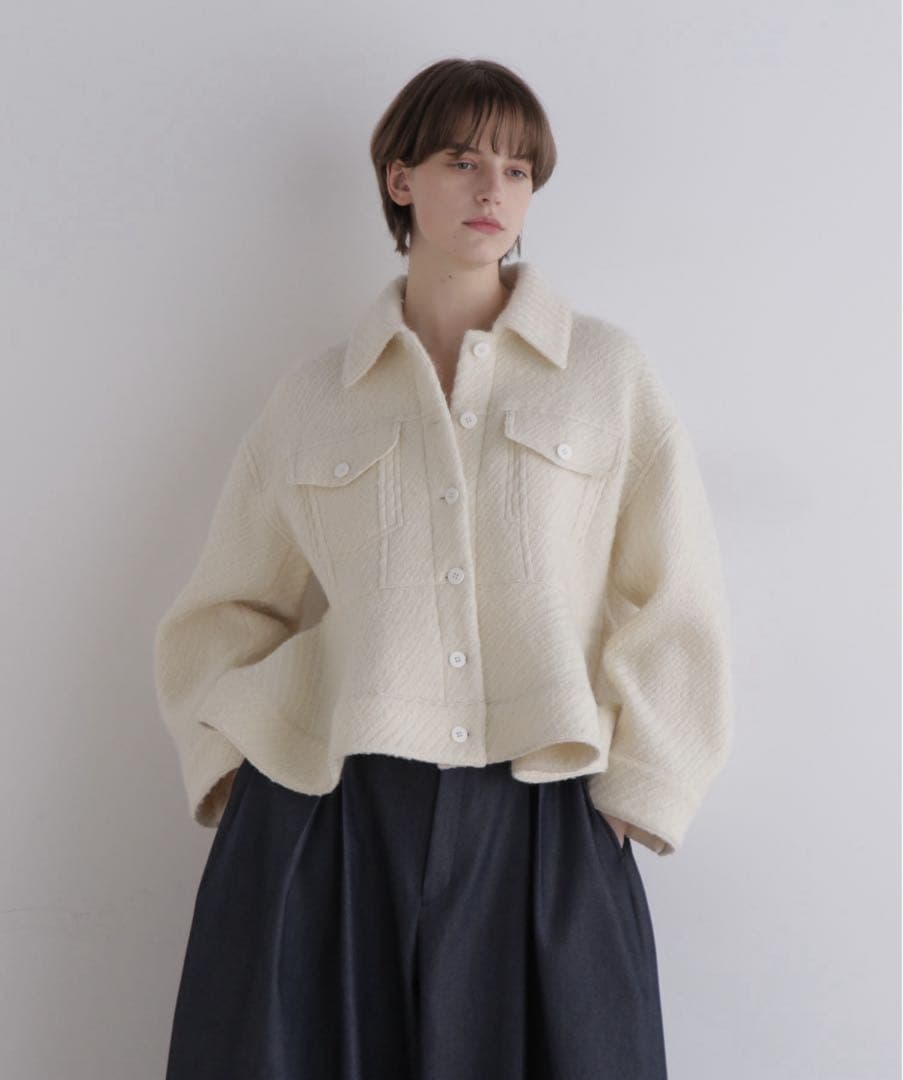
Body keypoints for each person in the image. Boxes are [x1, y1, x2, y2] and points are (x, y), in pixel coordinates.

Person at [155, 57, 734, 1080]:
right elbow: (227, 605)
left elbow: (676, 592)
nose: (491, 190)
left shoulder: (603, 375)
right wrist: (236, 774)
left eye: (517, 169)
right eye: (463, 161)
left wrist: (640, 793)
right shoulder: (315, 398)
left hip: (547, 805)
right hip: (334, 812)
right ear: (400, 179)